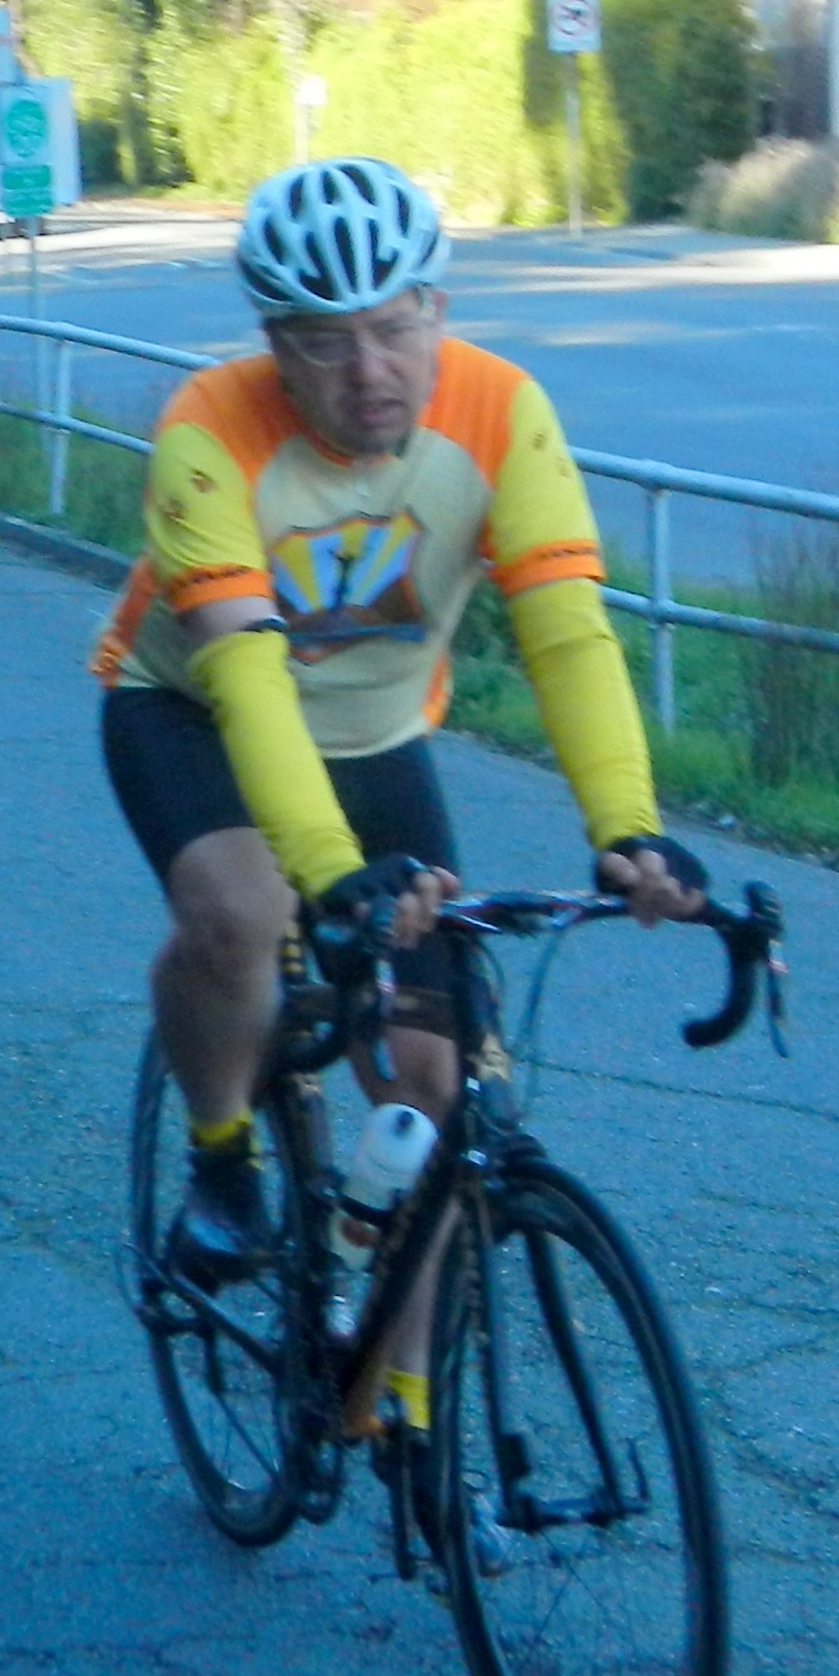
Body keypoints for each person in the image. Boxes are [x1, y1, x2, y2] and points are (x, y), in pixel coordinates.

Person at [99, 156, 704, 1445]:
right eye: (325, 344)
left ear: (437, 309)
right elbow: (249, 676)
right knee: (242, 912)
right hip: (195, 713)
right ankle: (221, 1165)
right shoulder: (211, 429)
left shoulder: (501, 411)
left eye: (394, 327)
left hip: (375, 738)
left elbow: (569, 639)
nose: (370, 370)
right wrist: (328, 874)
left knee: (431, 1080)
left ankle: (400, 1402)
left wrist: (627, 830)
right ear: (275, 345)